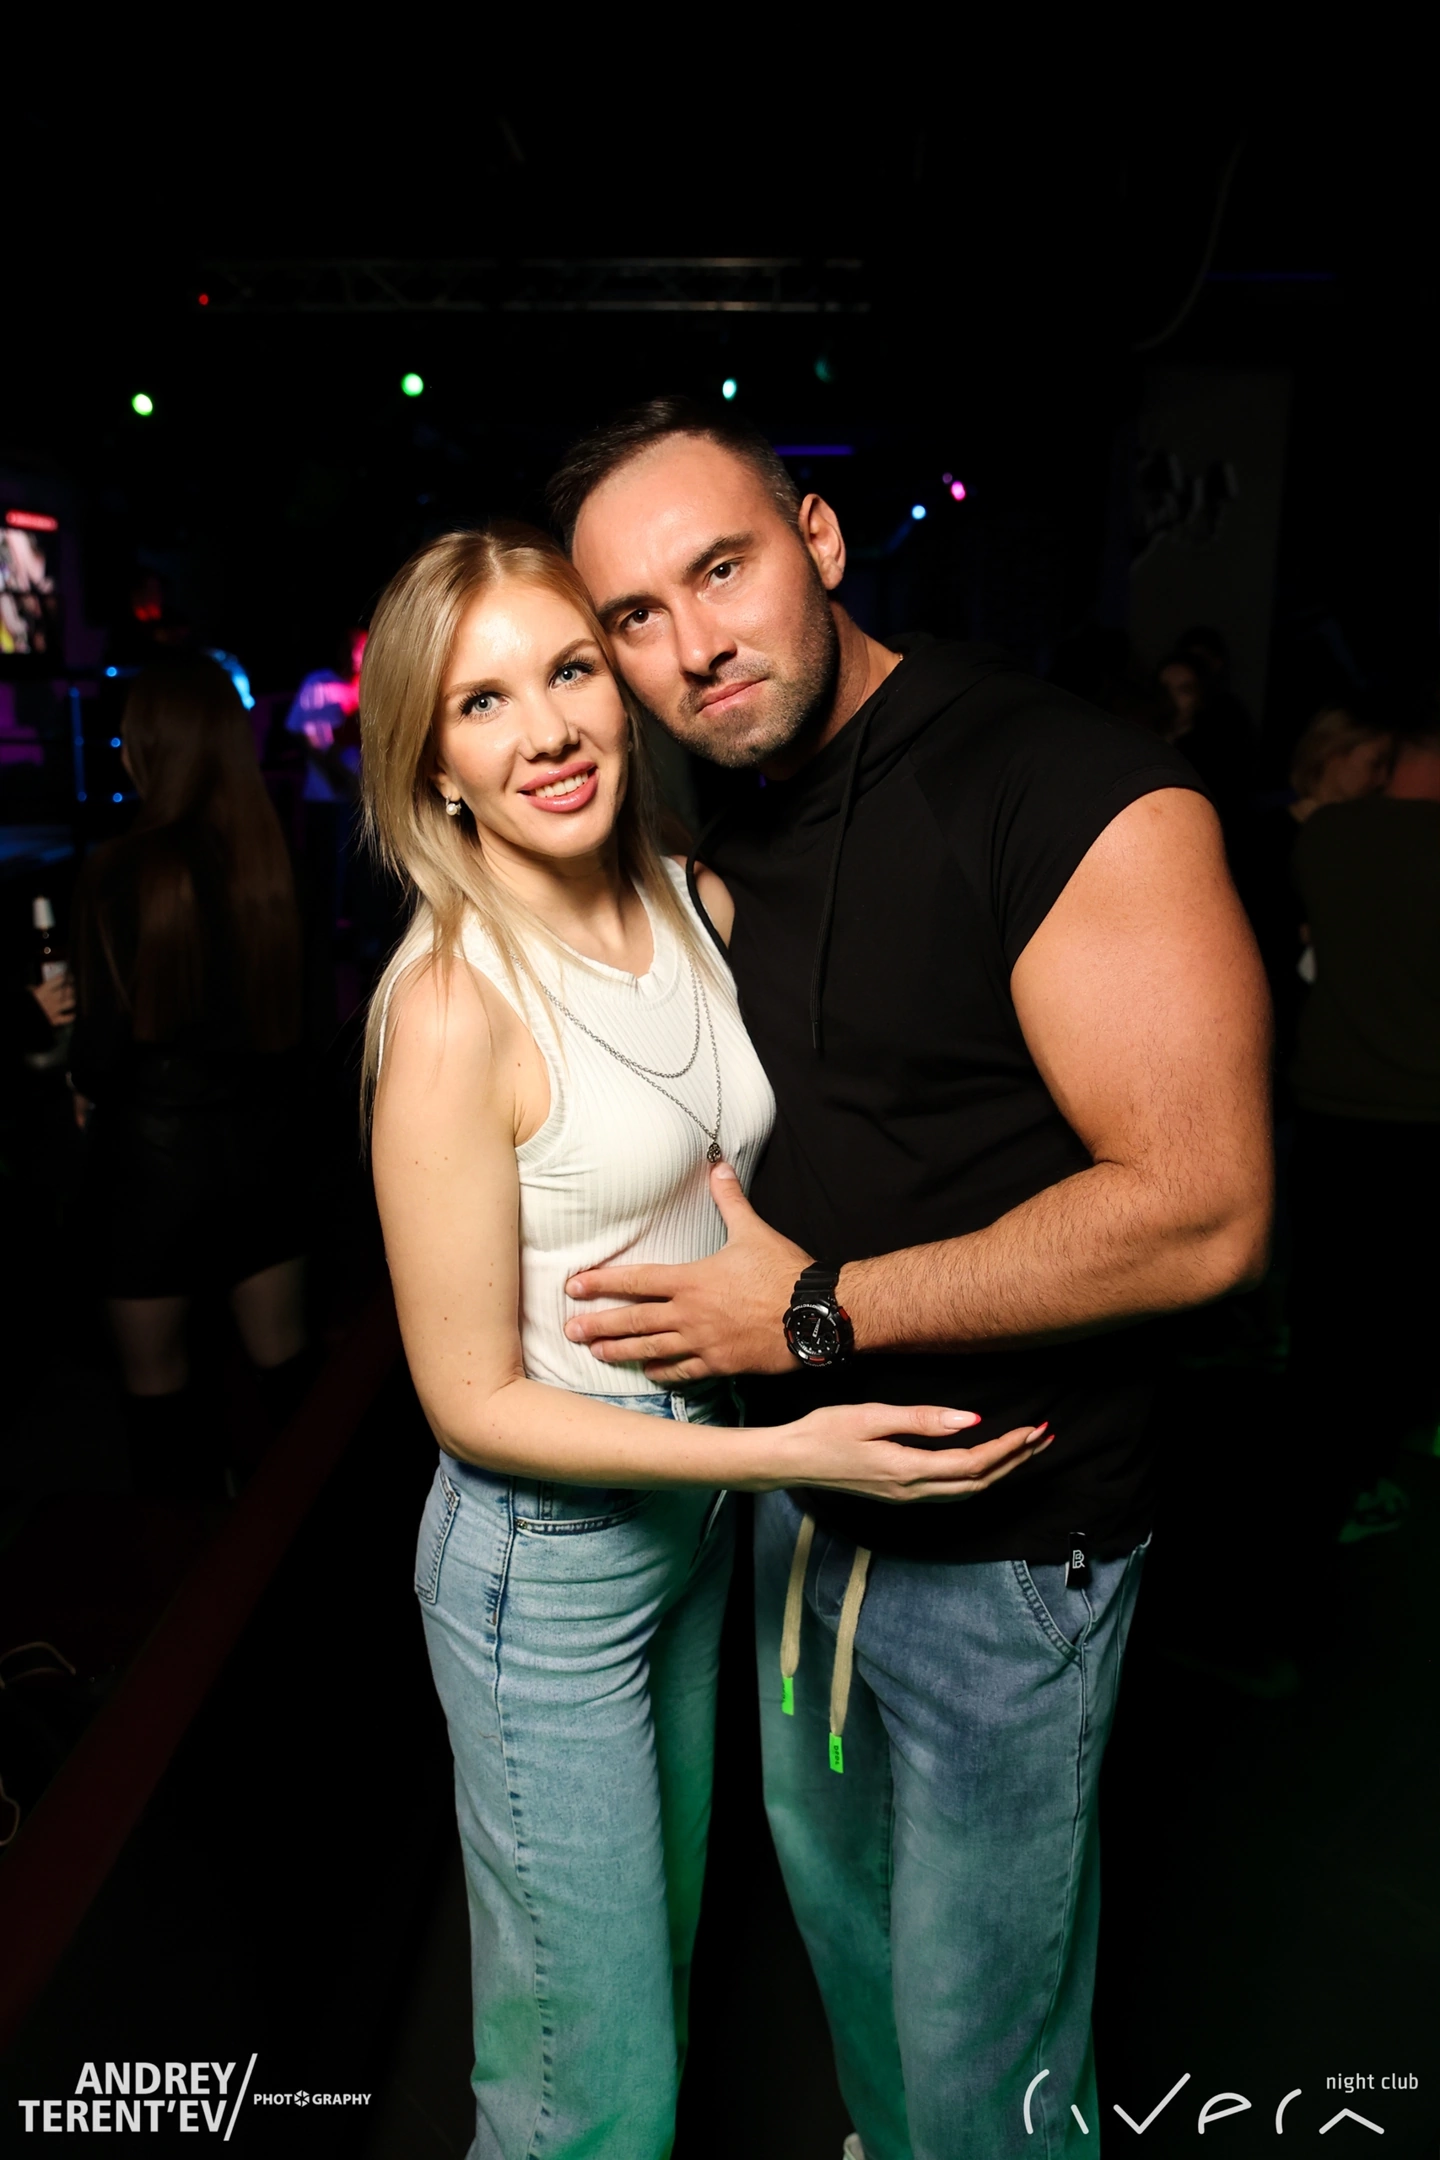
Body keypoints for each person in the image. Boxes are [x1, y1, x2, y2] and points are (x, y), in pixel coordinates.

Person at [550, 397, 1272, 2160]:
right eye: (635, 615)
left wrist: (809, 1312)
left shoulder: (1061, 785)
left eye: (721, 569)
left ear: (818, 541)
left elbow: (1201, 1210)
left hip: (1007, 1551)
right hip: (805, 1522)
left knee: (980, 2075)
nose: (693, 643)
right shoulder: (733, 831)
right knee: (859, 1995)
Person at [359, 522, 1046, 2160]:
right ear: (432, 765)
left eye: (571, 671)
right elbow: (468, 1401)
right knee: (588, 2085)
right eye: (483, 703)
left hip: (690, 1523)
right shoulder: (453, 1006)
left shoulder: (684, 897)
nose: (547, 731)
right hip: (546, 1569)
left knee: (644, 1987)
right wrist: (794, 1443)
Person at [70, 656, 311, 1491]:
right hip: (262, 1153)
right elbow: (303, 1029)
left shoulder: (118, 870)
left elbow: (99, 1053)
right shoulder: (273, 864)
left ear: (151, 747)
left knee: (159, 1405)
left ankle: (192, 1550)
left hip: (148, 1168)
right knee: (289, 1389)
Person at [1286, 714, 1440, 1545]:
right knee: (1396, 1315)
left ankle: (1316, 1490)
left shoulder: (1326, 836)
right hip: (1419, 1115)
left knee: (1331, 1308)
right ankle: (1359, 1480)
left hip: (1331, 1107)